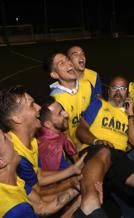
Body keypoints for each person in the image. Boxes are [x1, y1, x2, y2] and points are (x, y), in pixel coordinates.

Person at [75, 76, 134, 218]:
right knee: (104, 151)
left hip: (118, 156)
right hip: (95, 150)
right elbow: (81, 129)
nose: (118, 92)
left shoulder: (129, 116)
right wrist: (96, 141)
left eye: (122, 89)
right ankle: (89, 206)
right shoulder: (98, 104)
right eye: (114, 88)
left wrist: (131, 114)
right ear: (108, 91)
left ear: (127, 94)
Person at [0, 85, 85, 216]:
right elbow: (39, 193)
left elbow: (40, 201)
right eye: (32, 105)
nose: (39, 108)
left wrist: (73, 174)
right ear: (17, 118)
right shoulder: (18, 158)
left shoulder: (32, 141)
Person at [45, 52, 95, 148]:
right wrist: (75, 156)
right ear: (55, 74)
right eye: (62, 63)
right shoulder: (56, 100)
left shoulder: (87, 85)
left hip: (93, 139)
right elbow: (64, 135)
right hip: (75, 149)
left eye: (68, 59)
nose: (69, 63)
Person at [0, 129, 38, 218]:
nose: (12, 138)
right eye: (5, 138)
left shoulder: (13, 180)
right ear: (1, 162)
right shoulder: (17, 211)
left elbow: (40, 206)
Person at [37, 96, 77, 171]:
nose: (66, 114)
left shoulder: (57, 133)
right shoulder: (51, 148)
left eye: (63, 110)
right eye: (59, 114)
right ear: (48, 124)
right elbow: (57, 177)